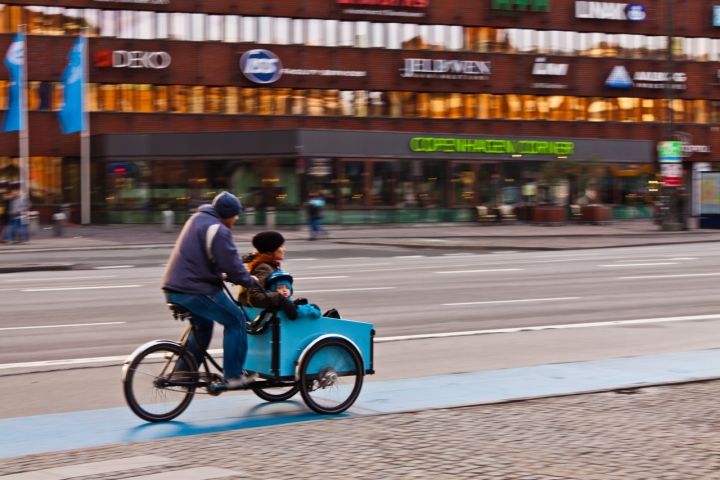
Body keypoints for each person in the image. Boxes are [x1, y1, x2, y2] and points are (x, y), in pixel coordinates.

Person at [162, 191, 258, 389]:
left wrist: (219, 275)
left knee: (203, 325)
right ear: (227, 213)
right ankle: (233, 375)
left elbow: (198, 256)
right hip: (194, 290)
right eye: (235, 214)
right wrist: (249, 280)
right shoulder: (219, 229)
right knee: (236, 319)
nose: (237, 218)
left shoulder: (196, 219)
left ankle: (183, 372)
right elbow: (231, 263)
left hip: (174, 287)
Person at [238, 231, 299, 320]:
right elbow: (255, 297)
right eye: (281, 246)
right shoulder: (264, 267)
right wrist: (279, 298)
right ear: (271, 250)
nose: (284, 249)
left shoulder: (269, 264)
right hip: (264, 319)